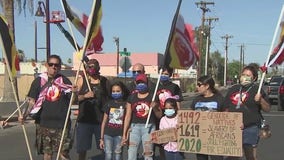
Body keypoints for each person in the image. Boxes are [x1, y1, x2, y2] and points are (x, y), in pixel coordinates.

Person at [21, 55, 73, 160]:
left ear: (60, 67)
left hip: (62, 124)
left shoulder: (65, 81)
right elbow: (31, 101)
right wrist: (23, 115)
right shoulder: (39, 81)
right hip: (44, 123)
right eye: (51, 64)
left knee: (63, 154)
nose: (54, 67)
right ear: (46, 65)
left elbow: (73, 98)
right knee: (47, 154)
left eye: (56, 65)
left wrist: (76, 92)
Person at [223, 65, 270, 160]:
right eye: (243, 74)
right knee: (232, 156)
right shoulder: (233, 88)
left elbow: (267, 108)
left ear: (254, 78)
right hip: (233, 128)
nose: (245, 77)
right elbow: (225, 107)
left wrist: (260, 100)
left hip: (250, 128)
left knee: (251, 156)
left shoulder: (257, 90)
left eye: (248, 75)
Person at [121, 74, 162, 160]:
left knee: (148, 154)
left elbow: (159, 115)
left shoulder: (153, 96)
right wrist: (124, 134)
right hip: (134, 128)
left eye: (142, 82)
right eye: (138, 82)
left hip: (149, 128)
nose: (140, 84)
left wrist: (155, 107)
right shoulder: (131, 97)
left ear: (146, 83)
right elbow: (128, 116)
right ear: (135, 83)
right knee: (131, 153)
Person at [76, 58, 110, 160]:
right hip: (84, 120)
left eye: (93, 66)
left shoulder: (104, 81)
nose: (91, 68)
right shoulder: (82, 79)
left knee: (104, 148)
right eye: (89, 66)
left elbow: (110, 99)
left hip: (101, 121)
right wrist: (85, 96)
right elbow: (73, 99)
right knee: (82, 149)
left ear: (98, 67)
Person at [190, 75, 224, 160]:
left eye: (199, 84)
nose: (197, 87)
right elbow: (190, 115)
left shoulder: (219, 99)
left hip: (215, 137)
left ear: (207, 86)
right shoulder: (196, 100)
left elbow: (227, 116)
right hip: (200, 137)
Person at [155, 66, 183, 159]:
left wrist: (180, 118)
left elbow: (178, 104)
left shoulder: (175, 87)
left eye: (166, 74)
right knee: (162, 145)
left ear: (170, 75)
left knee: (176, 141)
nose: (163, 75)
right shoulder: (155, 87)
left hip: (173, 119)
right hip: (160, 119)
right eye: (162, 73)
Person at [99, 81, 129, 160]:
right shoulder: (108, 104)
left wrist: (125, 135)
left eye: (118, 91)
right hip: (107, 134)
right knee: (108, 154)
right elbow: (104, 121)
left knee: (118, 155)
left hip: (119, 135)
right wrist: (101, 138)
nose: (116, 93)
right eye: (114, 91)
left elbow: (127, 120)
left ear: (122, 92)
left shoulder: (126, 105)